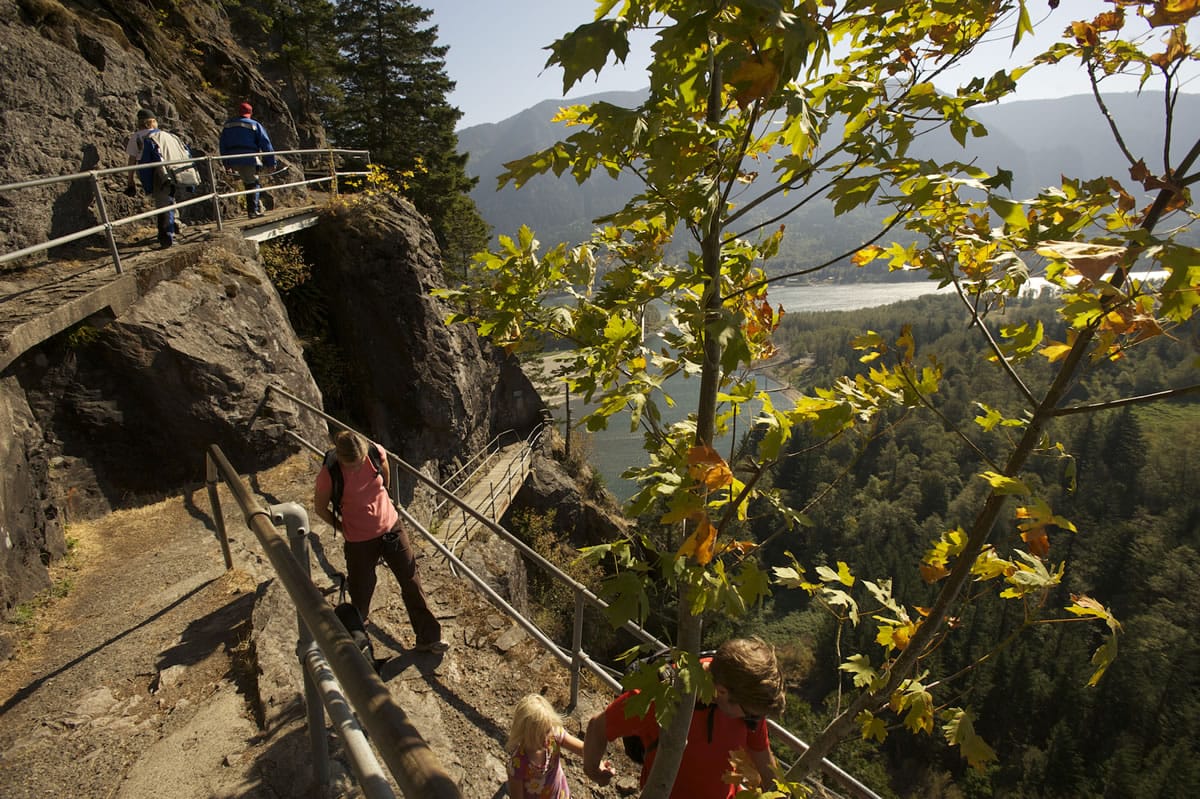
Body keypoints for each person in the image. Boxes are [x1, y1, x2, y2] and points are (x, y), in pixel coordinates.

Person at [583, 637, 785, 799]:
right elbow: (598, 727)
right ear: (722, 691)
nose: (756, 720)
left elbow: (764, 761)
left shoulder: (746, 703)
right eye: (751, 713)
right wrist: (593, 771)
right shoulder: (662, 697)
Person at [313, 430, 448, 653]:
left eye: (359, 462)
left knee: (411, 579)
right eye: (352, 464)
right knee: (361, 589)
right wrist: (343, 528)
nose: (357, 467)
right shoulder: (330, 473)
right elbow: (320, 508)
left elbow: (384, 482)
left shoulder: (375, 453)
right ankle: (359, 641)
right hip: (359, 540)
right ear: (341, 456)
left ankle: (429, 637)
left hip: (391, 527)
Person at [505, 694, 600, 799]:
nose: (547, 738)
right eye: (541, 735)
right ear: (526, 734)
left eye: (548, 730)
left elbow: (583, 749)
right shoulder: (517, 765)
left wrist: (599, 762)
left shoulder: (554, 735)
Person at [130, 109, 180, 249]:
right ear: (153, 121)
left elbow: (132, 159)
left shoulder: (136, 137)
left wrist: (130, 180)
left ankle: (169, 231)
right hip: (168, 171)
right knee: (167, 201)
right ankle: (169, 233)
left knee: (162, 202)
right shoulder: (163, 135)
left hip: (149, 172)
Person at [218, 101, 276, 218]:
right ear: (250, 113)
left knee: (246, 182)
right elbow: (266, 144)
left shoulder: (228, 125)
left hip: (232, 159)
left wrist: (226, 162)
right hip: (249, 159)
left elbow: (222, 144)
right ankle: (252, 212)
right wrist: (271, 162)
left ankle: (253, 209)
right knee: (252, 184)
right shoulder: (254, 125)